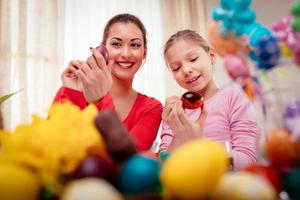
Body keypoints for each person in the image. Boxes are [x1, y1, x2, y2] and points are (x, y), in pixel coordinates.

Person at [53, 13, 163, 151]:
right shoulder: (71, 88)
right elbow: (50, 149)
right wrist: (72, 95)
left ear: (144, 53)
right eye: (116, 44)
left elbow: (128, 162)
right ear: (103, 49)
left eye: (135, 45)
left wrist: (101, 100)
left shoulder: (152, 108)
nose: (126, 54)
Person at [159, 30, 259, 170]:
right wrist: (178, 135)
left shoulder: (234, 96)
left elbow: (248, 160)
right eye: (176, 68)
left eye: (193, 59)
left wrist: (198, 145)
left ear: (211, 56)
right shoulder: (174, 112)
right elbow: (163, 167)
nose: (186, 70)